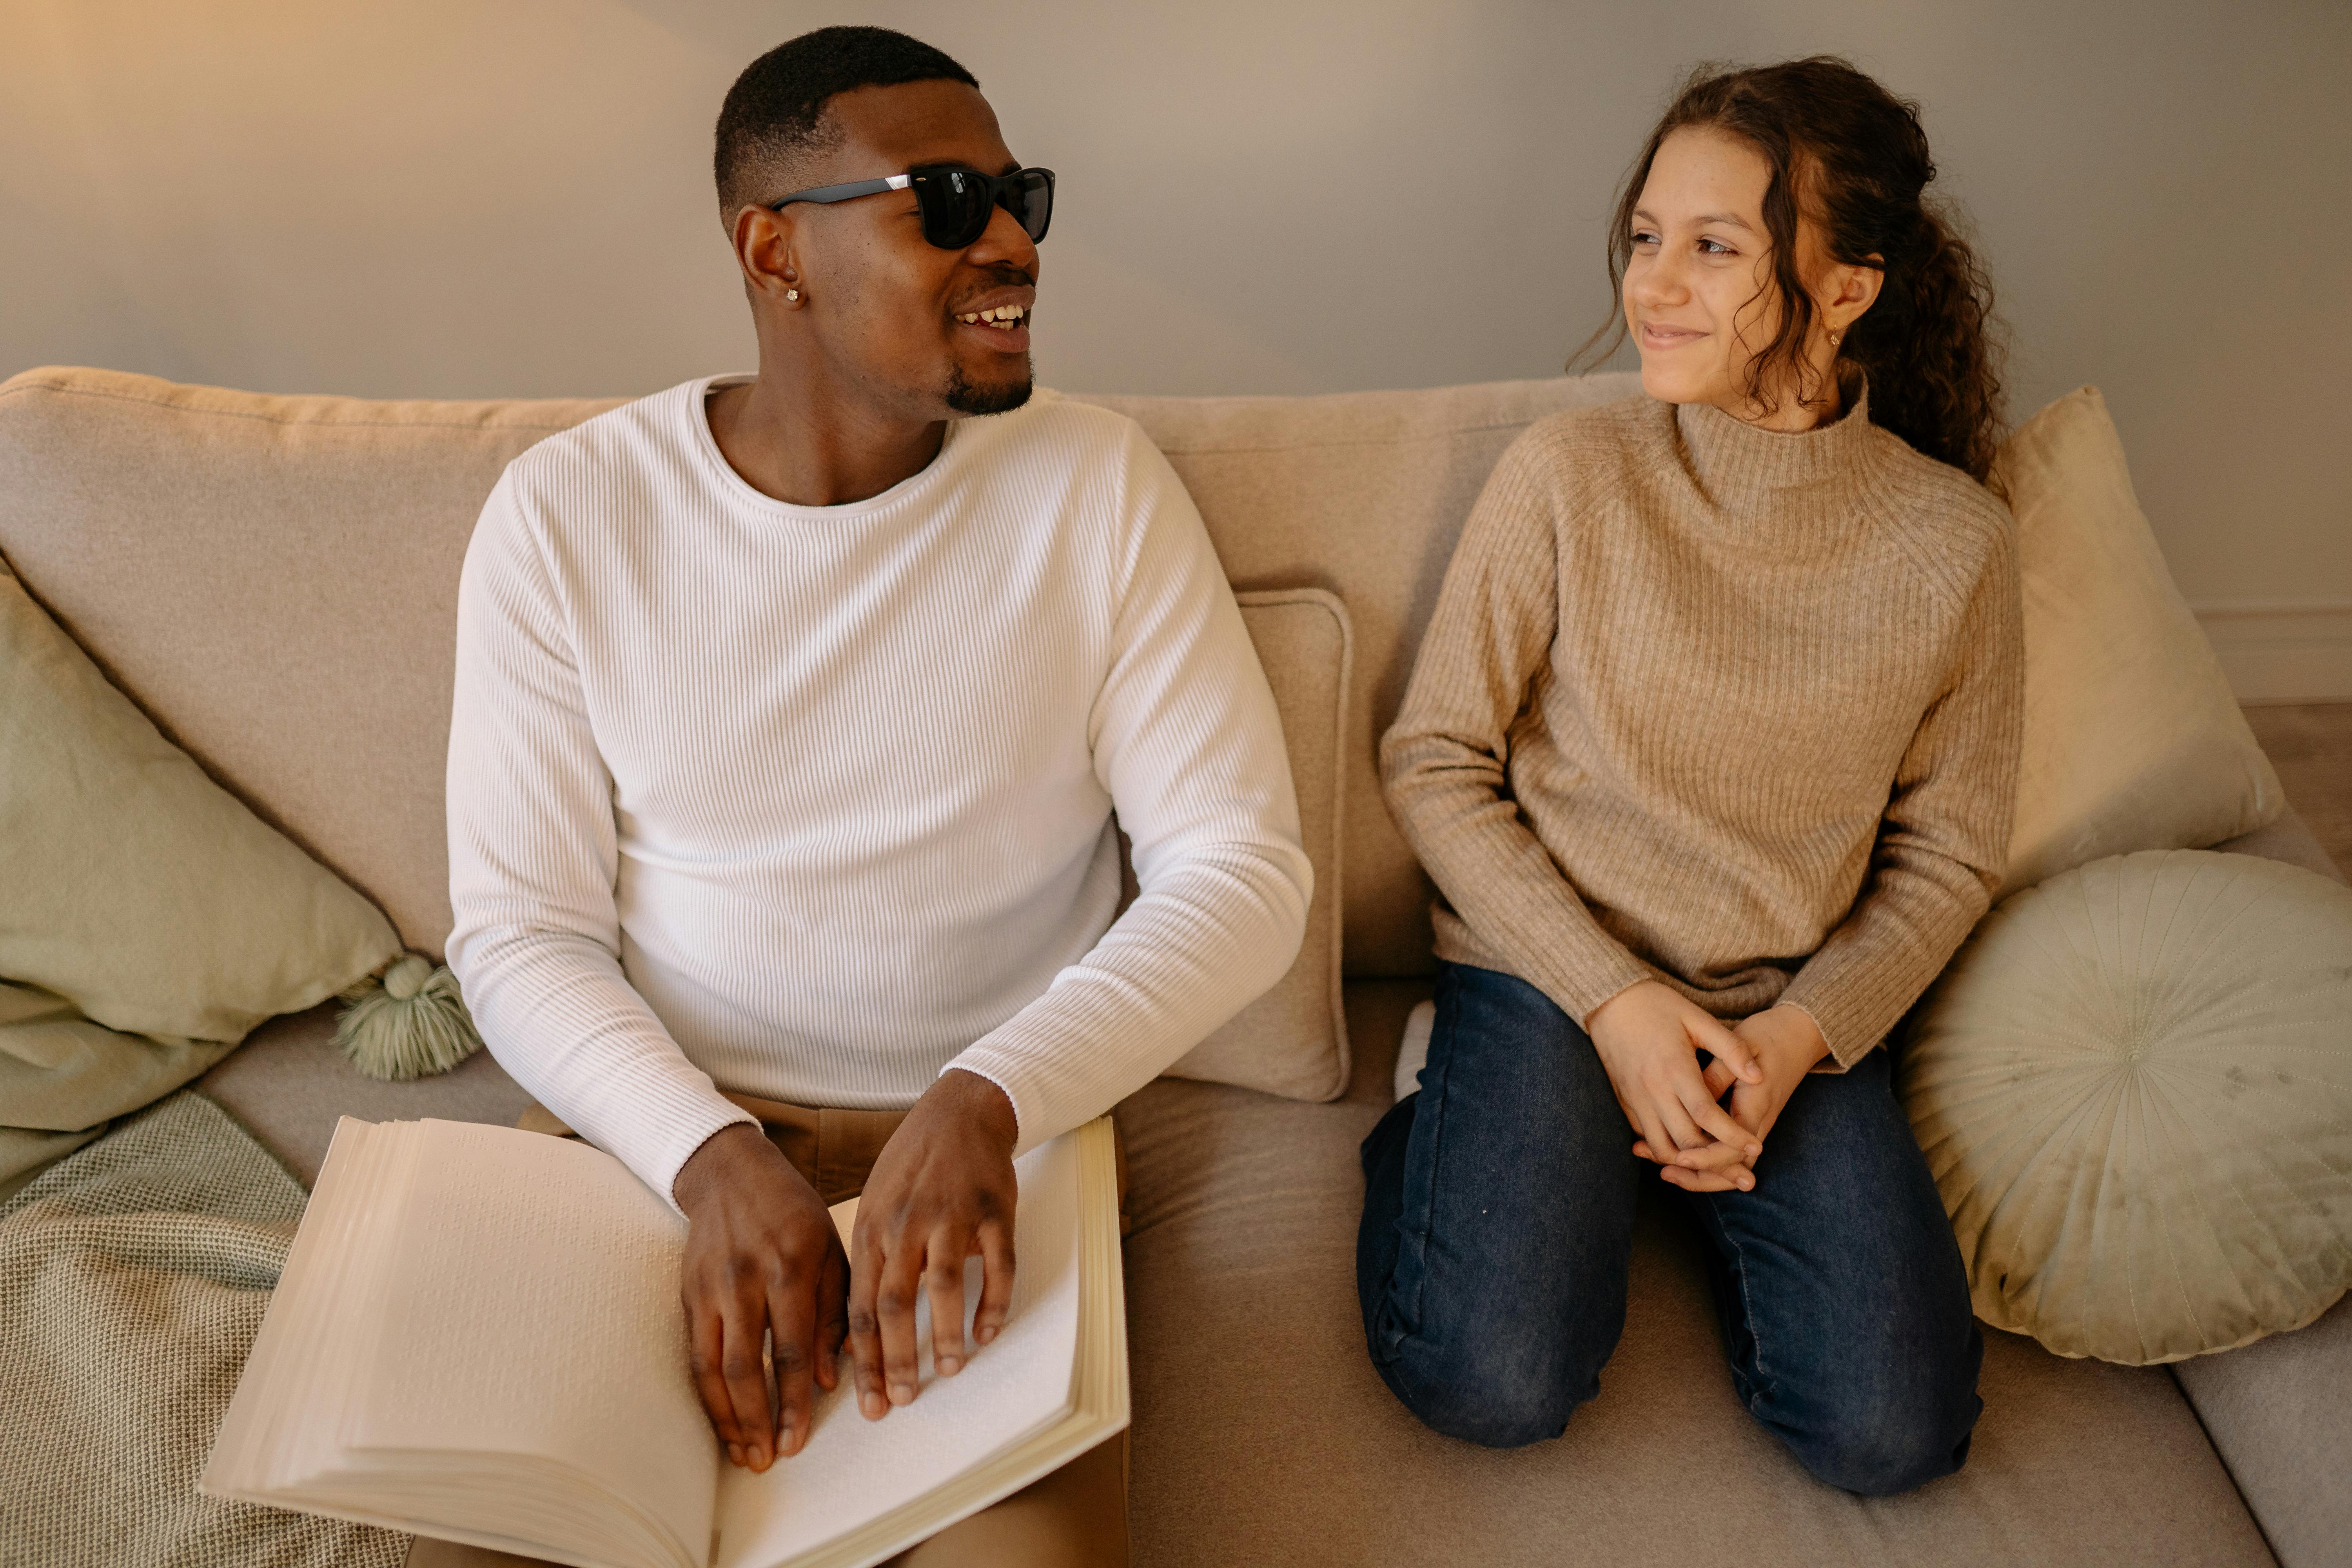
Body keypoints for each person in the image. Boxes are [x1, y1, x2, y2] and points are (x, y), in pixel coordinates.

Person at [441, 25, 1309, 1563]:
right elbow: (519, 931)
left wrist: (993, 1098)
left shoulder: (1095, 490)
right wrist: (708, 1160)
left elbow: (1241, 868)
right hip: (648, 1150)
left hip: (996, 1142)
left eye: (1021, 193)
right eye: (951, 200)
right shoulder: (568, 515)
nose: (1016, 243)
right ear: (776, 251)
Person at [1359, 56, 2018, 1495]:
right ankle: (1448, 1118)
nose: (1655, 284)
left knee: (1895, 1434)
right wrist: (1613, 1006)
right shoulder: (1569, 472)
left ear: (1846, 289)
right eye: (1648, 237)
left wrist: (1795, 1043)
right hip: (1552, 970)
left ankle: (1644, 1158)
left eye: (1715, 247)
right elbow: (1436, 757)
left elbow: (1951, 858)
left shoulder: (1954, 546)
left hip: (1781, 1011)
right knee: (1492, 1379)